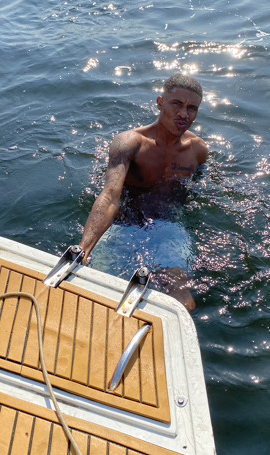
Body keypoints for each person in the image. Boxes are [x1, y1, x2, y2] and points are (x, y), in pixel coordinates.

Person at [79, 74, 208, 311]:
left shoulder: (198, 151)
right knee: (93, 292)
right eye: (176, 104)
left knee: (183, 304)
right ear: (160, 103)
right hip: (124, 224)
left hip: (168, 227)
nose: (184, 114)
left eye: (192, 108)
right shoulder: (130, 143)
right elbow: (110, 195)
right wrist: (83, 249)